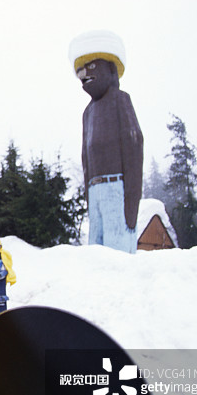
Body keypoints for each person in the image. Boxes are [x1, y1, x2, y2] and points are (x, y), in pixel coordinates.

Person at [69, 30, 143, 253]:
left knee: (117, 244)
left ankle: (121, 285)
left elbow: (134, 146)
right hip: (95, 188)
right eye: (81, 70)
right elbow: (85, 157)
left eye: (91, 68)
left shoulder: (121, 100)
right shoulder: (87, 113)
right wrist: (89, 195)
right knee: (96, 247)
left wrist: (131, 198)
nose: (84, 76)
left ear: (110, 69)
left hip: (116, 187)